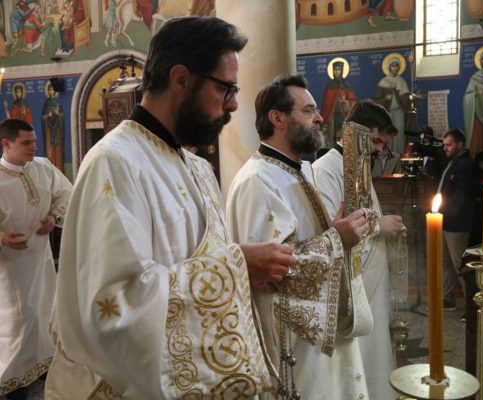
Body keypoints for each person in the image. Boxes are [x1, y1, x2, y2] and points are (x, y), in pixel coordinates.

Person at [46, 16, 297, 399]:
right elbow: (114, 305)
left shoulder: (196, 167)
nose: (233, 103)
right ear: (181, 79)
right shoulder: (115, 162)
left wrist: (243, 278)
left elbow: (196, 260)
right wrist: (237, 264)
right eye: (225, 88)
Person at [226, 74, 371, 399]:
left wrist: (338, 230)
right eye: (308, 111)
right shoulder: (257, 181)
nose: (320, 118)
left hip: (321, 332)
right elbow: (271, 274)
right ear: (277, 118)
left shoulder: (300, 169)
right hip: (293, 348)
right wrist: (337, 239)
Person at [312, 100, 407, 399]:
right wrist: (380, 224)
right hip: (352, 285)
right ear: (353, 133)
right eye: (375, 141)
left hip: (371, 280)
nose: (379, 149)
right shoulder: (326, 169)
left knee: (375, 350)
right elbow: (331, 226)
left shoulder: (360, 166)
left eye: (382, 144)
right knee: (357, 356)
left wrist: (386, 226)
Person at [0, 119, 72, 400]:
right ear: (6, 144)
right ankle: (12, 381)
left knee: (45, 312)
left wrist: (53, 217)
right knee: (19, 320)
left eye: (35, 142)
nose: (34, 147)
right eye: (26, 143)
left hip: (41, 259)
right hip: (10, 267)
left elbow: (66, 193)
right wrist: (3, 239)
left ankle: (41, 367)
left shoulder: (43, 167)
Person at [438, 129, 473, 313]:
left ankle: (471, 305)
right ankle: (448, 298)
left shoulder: (465, 164)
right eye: (444, 145)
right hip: (444, 220)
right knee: (445, 262)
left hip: (456, 223)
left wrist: (444, 210)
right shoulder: (452, 162)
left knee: (459, 263)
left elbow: (461, 195)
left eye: (449, 144)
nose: (445, 148)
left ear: (460, 144)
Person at [374, 57, 409, 154]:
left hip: (399, 111)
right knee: (388, 132)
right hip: (387, 112)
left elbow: (406, 98)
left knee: (399, 133)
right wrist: (385, 98)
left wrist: (409, 97)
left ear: (399, 68)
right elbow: (377, 99)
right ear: (389, 67)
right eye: (393, 65)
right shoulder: (383, 82)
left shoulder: (401, 81)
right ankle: (388, 153)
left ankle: (399, 153)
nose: (395, 68)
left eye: (396, 65)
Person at [321, 60, 357, 148]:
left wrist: (346, 103)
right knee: (332, 138)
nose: (337, 72)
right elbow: (325, 105)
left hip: (344, 116)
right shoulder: (329, 86)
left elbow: (353, 101)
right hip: (332, 118)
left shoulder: (346, 85)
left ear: (342, 71)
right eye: (335, 70)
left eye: (338, 69)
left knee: (344, 138)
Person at [41, 82, 66, 172]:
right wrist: (48, 116)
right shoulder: (46, 103)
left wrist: (57, 114)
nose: (51, 91)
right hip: (49, 133)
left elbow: (62, 116)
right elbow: (43, 117)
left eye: (52, 90)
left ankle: (59, 169)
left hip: (57, 133)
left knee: (58, 152)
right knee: (50, 151)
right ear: (48, 91)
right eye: (50, 90)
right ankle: (50, 171)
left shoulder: (58, 103)